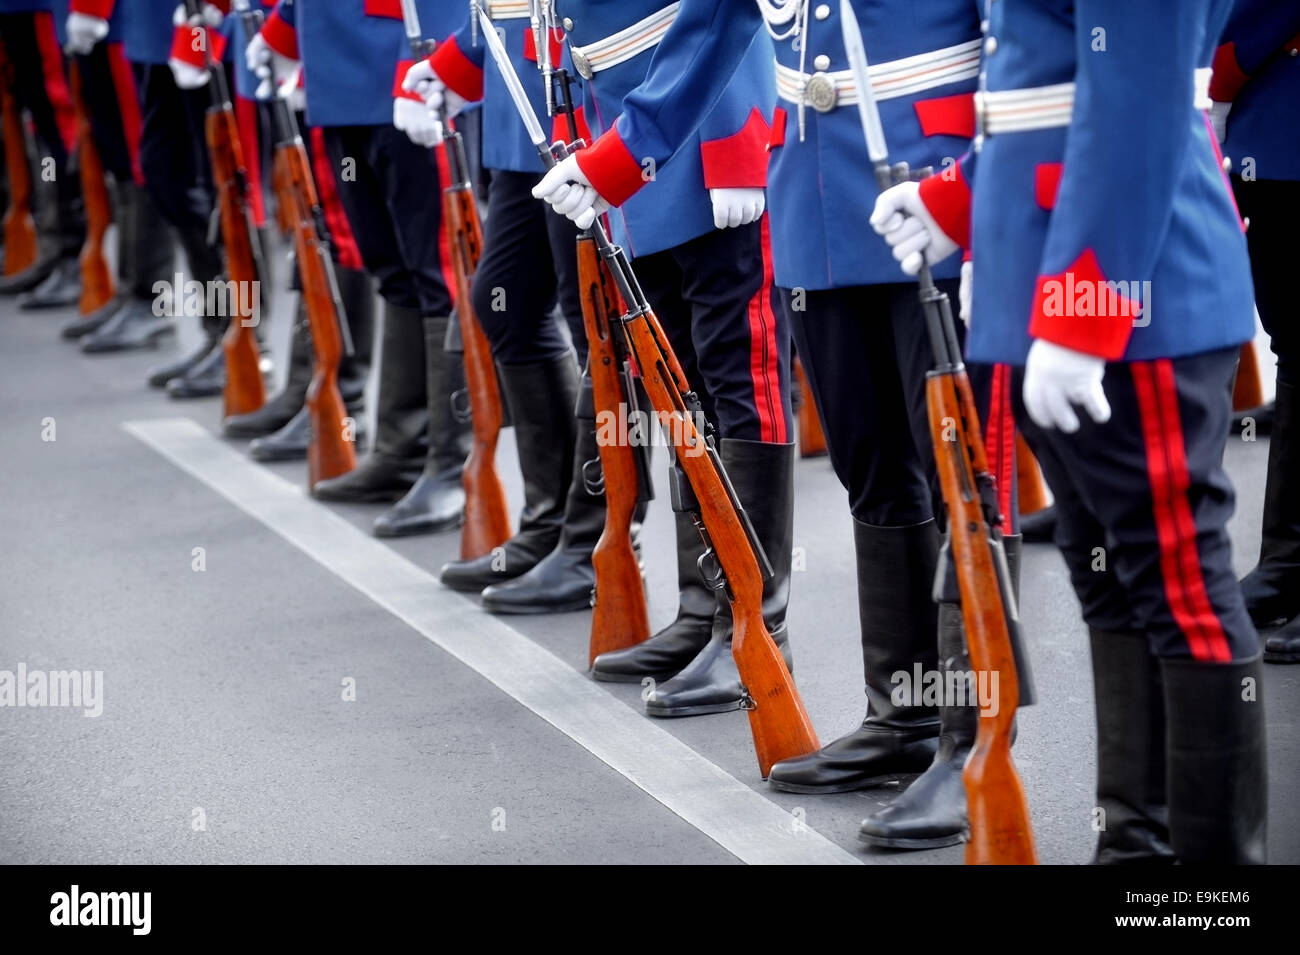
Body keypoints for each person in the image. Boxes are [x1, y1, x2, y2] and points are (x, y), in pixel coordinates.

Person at [534, 0, 1018, 850]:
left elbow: (1025, 44)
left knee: (962, 482)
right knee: (873, 465)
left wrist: (993, 202)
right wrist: (616, 162)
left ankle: (971, 743)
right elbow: (713, 28)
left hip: (935, 179)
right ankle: (901, 713)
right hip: (821, 201)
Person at [875, 0, 1266, 862]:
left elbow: (1139, 100)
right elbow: (1043, 85)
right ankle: (1137, 853)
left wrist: (1087, 307)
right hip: (1054, 279)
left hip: (1131, 289)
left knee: (1180, 589)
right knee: (1116, 583)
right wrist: (961, 200)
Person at [253, 0, 470, 536]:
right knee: (391, 269)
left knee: (440, 274)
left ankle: (452, 466)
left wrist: (420, 70)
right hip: (340, 72)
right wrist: (286, 31)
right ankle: (401, 446)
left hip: (398, 66)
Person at [1209, 0, 1300, 664]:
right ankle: (1287, 562)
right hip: (1272, 125)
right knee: (1295, 348)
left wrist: (1211, 72)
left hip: (1269, 94)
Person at [60, 0, 177, 347]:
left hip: (126, 20)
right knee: (120, 157)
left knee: (142, 161)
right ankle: (132, 290)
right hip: (120, 20)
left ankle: (150, 297)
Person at [0, 0, 84, 304]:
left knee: (58, 123)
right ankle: (53, 246)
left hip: (40, 6)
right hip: (15, 8)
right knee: (41, 128)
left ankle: (71, 252)